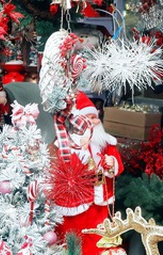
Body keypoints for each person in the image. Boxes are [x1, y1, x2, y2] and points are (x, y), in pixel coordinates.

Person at [54, 91, 123, 254]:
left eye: (95, 117)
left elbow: (117, 166)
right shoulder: (66, 145)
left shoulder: (106, 142)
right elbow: (64, 169)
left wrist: (111, 164)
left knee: (98, 234)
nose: (95, 121)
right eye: (89, 118)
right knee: (74, 236)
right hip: (75, 202)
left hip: (99, 202)